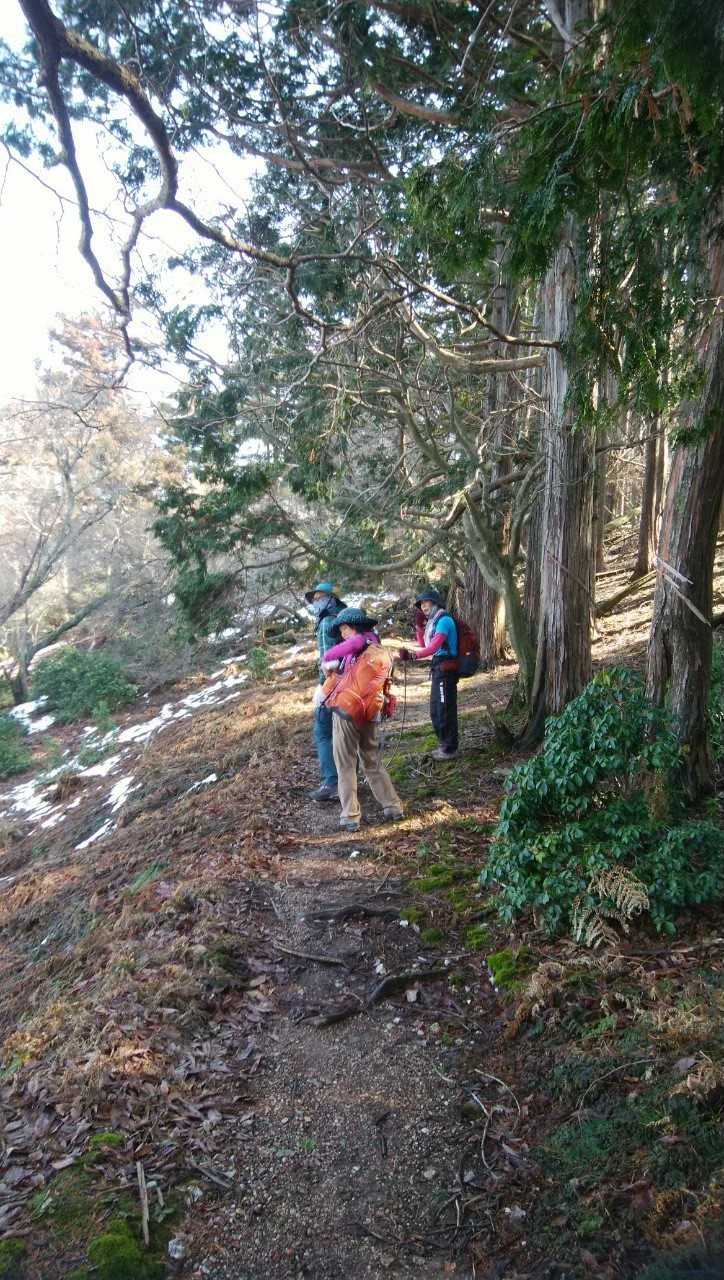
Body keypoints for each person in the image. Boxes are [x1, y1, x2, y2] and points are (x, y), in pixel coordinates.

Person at [320, 606, 403, 832]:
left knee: (345, 764)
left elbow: (332, 656)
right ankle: (393, 806)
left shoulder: (357, 642)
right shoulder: (376, 645)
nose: (342, 634)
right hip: (371, 712)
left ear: (354, 626)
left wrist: (327, 662)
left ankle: (350, 815)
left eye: (344, 629)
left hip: (347, 712)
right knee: (372, 761)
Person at [397, 587, 459, 760]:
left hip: (446, 669)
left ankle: (450, 749)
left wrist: (413, 656)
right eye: (421, 604)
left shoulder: (444, 620)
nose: (423, 607)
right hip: (438, 668)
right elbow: (424, 645)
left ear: (436, 603)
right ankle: (444, 745)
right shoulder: (433, 622)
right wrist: (419, 627)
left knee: (444, 709)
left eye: (426, 603)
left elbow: (434, 647)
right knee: (435, 710)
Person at [304, 580, 346, 801]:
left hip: (334, 685)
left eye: (319, 598)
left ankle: (332, 782)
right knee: (344, 733)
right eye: (314, 599)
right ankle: (347, 780)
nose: (316, 602)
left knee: (323, 732)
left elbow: (328, 659)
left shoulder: (327, 622)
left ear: (330, 599)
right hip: (351, 684)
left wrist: (323, 687)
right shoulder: (343, 617)